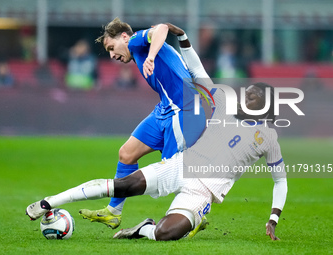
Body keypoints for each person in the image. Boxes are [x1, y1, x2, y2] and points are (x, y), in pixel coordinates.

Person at [26, 26, 287, 241]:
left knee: (166, 233)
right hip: (183, 165)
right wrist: (184, 39)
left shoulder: (267, 138)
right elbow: (198, 71)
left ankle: (145, 229)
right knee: (124, 184)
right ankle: (50, 201)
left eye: (252, 96)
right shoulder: (225, 104)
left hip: (202, 191)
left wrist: (273, 217)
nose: (246, 96)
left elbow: (280, 181)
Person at [78, 18, 206, 229]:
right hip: (165, 108)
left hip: (184, 110)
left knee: (173, 173)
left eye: (111, 48)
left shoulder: (136, 41)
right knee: (126, 154)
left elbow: (162, 28)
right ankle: (113, 212)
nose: (112, 55)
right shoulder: (137, 50)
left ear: (124, 37)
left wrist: (152, 57)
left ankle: (197, 211)